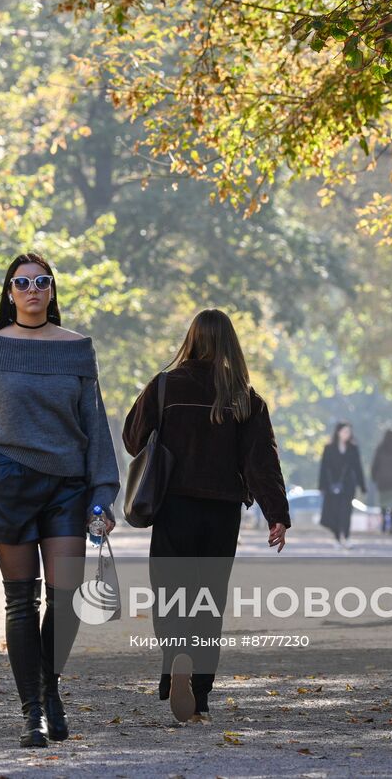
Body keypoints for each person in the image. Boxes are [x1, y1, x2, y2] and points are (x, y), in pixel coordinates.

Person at [0, 252, 120, 748]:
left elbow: (95, 426)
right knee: (23, 602)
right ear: (9, 292)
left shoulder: (76, 349)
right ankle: (33, 715)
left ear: (51, 290)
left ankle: (51, 692)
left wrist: (102, 492)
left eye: (41, 281)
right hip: (10, 485)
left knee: (66, 600)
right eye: (22, 282)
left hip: (68, 487)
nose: (32, 289)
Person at [123, 309, 290, 724]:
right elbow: (261, 462)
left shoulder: (164, 387)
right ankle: (199, 695)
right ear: (231, 343)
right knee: (208, 601)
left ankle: (173, 662)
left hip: (173, 507)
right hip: (221, 511)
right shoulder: (246, 398)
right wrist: (277, 514)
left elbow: (131, 439)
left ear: (191, 340)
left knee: (170, 594)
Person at [318, 422, 365, 548]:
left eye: (349, 432)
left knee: (346, 512)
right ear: (338, 432)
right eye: (345, 432)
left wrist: (362, 485)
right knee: (334, 512)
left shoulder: (353, 448)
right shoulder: (329, 448)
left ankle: (347, 537)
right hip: (331, 485)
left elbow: (358, 467)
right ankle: (337, 538)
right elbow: (323, 468)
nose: (347, 434)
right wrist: (322, 486)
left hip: (348, 485)